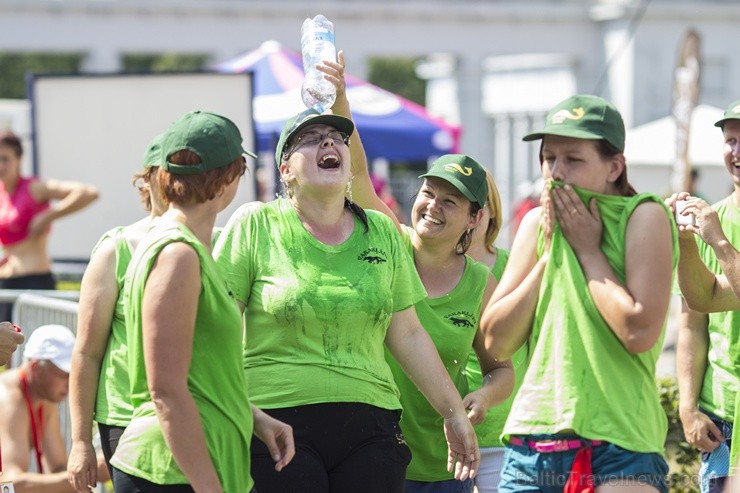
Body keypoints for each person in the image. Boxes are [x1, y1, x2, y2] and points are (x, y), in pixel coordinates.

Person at [214, 103, 480, 492]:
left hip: (371, 421)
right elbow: (216, 327)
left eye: (337, 138)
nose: (329, 142)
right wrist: (241, 411)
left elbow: (407, 335)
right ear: (285, 170)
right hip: (277, 419)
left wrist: (453, 412)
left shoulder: (382, 232)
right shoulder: (256, 223)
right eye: (310, 138)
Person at [481, 94, 677, 492]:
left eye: (573, 159)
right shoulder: (537, 223)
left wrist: (588, 250)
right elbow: (495, 342)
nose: (556, 172)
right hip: (533, 442)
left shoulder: (645, 214)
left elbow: (639, 332)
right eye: (548, 158)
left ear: (614, 166)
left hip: (620, 444)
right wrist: (549, 256)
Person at [109, 111, 294, 492]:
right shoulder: (178, 253)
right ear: (228, 177)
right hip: (172, 471)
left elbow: (200, 371)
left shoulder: (182, 245)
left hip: (191, 464)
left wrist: (253, 417)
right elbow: (166, 392)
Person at [67, 134, 168, 492]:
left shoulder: (220, 242)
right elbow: (87, 351)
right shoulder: (117, 247)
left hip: (204, 418)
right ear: (148, 179)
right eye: (165, 170)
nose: (175, 181)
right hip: (128, 419)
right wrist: (80, 442)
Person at [671, 99, 740, 493]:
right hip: (722, 420)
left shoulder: (712, 228)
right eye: (731, 141)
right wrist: (688, 408)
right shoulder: (711, 217)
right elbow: (693, 317)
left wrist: (718, 242)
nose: (737, 152)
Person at [464, 170, 528, 493]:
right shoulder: (428, 268)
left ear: (491, 211)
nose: (472, 213)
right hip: (443, 441)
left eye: (478, 203)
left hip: (506, 437)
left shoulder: (515, 266)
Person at [0, 131, 99, 321]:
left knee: (37, 347)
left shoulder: (34, 188)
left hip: (34, 281)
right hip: (5, 285)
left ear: (18, 159)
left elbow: (88, 193)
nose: (0, 166)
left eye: (5, 159)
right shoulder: (1, 194)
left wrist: (49, 215)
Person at [0, 324, 110, 492]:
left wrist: (81, 474)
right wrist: (86, 474)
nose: (72, 384)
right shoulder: (10, 399)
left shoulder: (44, 397)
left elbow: (58, 467)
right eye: (65, 375)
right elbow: (9, 486)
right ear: (36, 368)